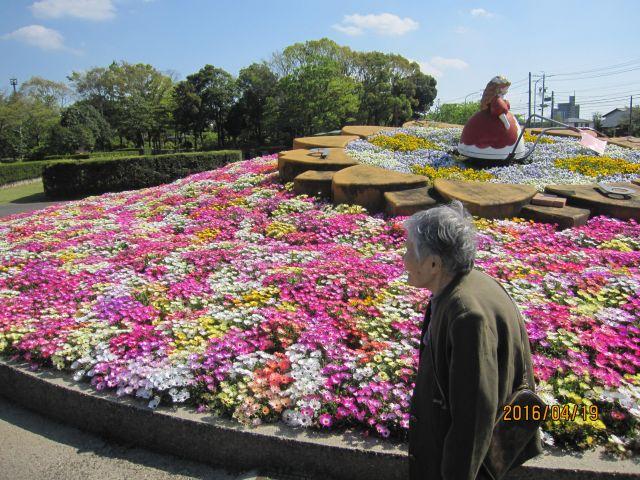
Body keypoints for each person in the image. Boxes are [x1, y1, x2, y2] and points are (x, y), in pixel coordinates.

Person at [402, 200, 543, 480]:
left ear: (433, 263)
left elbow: (473, 419)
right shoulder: (465, 284)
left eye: (409, 250)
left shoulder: (467, 316)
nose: (404, 259)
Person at [457, 76, 526, 162]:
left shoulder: (500, 98)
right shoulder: (496, 100)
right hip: (499, 133)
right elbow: (499, 111)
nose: (507, 90)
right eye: (506, 88)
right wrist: (506, 123)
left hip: (505, 144)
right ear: (500, 88)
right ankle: (492, 153)